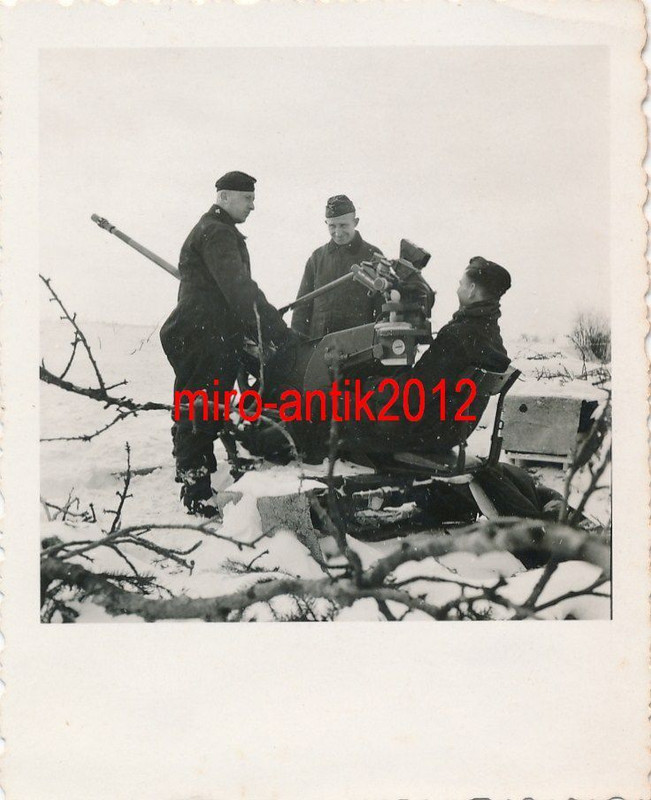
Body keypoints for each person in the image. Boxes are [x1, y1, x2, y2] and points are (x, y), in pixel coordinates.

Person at [159, 171, 296, 516]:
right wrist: (276, 328)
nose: (253, 205)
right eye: (247, 198)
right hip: (203, 334)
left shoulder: (216, 230)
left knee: (203, 404)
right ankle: (197, 492)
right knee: (199, 405)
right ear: (224, 197)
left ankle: (199, 481)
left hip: (210, 332)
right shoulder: (218, 234)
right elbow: (239, 289)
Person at [341, 255, 512, 455]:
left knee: (331, 400)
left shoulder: (459, 335)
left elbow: (413, 394)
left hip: (419, 431)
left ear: (472, 289)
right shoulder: (489, 332)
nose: (458, 289)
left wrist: (369, 386)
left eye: (461, 284)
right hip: (447, 430)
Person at [291, 195, 383, 338]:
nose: (338, 233)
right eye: (332, 226)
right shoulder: (316, 258)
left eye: (343, 225)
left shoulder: (373, 256)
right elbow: (302, 308)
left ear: (355, 222)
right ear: (326, 223)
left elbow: (383, 307)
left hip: (359, 346)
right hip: (320, 347)